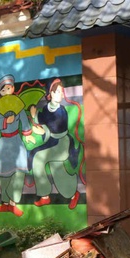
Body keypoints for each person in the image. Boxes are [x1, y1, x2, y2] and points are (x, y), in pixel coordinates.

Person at [29, 78, 81, 210]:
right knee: (57, 171)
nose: (61, 94)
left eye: (61, 91)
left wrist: (42, 130)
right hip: (52, 142)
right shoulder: (47, 108)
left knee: (38, 159)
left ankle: (45, 196)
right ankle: (73, 194)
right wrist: (34, 115)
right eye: (58, 91)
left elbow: (53, 127)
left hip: (62, 143)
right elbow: (42, 119)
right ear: (50, 94)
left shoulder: (61, 111)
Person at [0, 74, 35, 217]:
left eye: (8, 88)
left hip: (16, 140)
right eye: (3, 90)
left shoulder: (17, 104)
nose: (6, 92)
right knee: (4, 175)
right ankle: (5, 203)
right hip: (3, 144)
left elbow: (24, 121)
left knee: (19, 172)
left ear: (13, 88)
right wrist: (5, 121)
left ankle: (13, 203)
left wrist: (27, 135)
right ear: (0, 92)